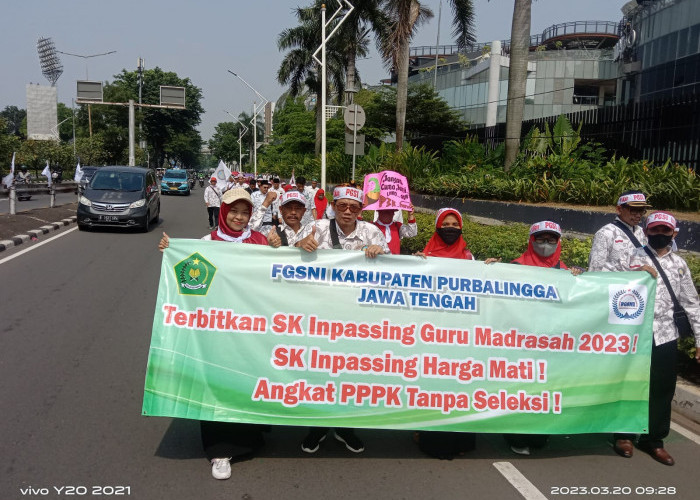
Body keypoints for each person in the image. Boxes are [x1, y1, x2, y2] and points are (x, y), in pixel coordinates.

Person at [158, 188, 269, 480]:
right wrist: (171, 251)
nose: (239, 217)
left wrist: (277, 247)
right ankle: (219, 451)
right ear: (223, 211)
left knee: (245, 383)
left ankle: (249, 439)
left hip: (252, 330)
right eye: (233, 211)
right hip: (218, 330)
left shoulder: (259, 241)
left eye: (245, 212)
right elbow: (189, 274)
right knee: (218, 385)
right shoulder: (209, 243)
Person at [295, 186, 390, 454]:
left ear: (361, 211)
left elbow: (393, 272)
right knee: (318, 371)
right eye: (342, 206)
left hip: (356, 319)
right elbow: (287, 260)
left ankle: (345, 427)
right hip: (319, 315)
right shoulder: (316, 227)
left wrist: (379, 252)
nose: (347, 211)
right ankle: (317, 427)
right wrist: (300, 245)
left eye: (354, 208)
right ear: (333, 206)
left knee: (350, 373)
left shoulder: (373, 232)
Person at [486, 221, 583, 455]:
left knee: (545, 390)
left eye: (552, 240)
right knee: (520, 391)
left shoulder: (565, 272)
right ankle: (516, 435)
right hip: (520, 344)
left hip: (551, 346)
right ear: (531, 241)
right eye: (540, 239)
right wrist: (490, 270)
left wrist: (579, 280)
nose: (546, 244)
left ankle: (540, 433)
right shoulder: (516, 267)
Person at [617, 211, 700, 466]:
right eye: (655, 230)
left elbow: (692, 303)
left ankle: (654, 440)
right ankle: (624, 435)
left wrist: (699, 338)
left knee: (662, 389)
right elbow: (609, 286)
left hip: (665, 336)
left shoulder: (680, 265)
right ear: (647, 231)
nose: (660, 235)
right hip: (632, 335)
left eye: (665, 231)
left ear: (674, 233)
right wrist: (633, 273)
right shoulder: (631, 257)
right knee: (628, 384)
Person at [412, 208, 475, 459]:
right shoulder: (424, 257)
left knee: (458, 386)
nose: (450, 228)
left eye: (454, 224)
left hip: (459, 333)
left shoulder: (469, 258)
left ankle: (460, 439)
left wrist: (490, 268)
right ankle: (427, 435)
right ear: (437, 226)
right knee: (432, 385)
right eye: (445, 223)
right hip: (431, 333)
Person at [588, 190, 651, 272]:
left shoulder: (642, 232)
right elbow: (595, 269)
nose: (638, 215)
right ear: (619, 209)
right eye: (634, 210)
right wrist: (633, 273)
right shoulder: (606, 233)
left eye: (641, 210)